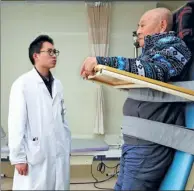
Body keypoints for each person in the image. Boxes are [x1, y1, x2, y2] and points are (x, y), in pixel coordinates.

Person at [80, 8, 191, 190]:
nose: (138, 30)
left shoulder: (175, 48)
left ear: (162, 25)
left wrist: (104, 62)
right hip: (136, 141)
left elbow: (155, 71)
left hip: (150, 143)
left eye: (142, 25)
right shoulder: (152, 53)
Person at [8, 35, 71, 190]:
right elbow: (16, 123)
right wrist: (18, 158)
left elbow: (63, 119)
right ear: (36, 55)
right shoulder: (22, 84)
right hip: (34, 153)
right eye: (49, 51)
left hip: (57, 150)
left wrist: (66, 145)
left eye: (55, 51)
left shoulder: (58, 84)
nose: (54, 55)